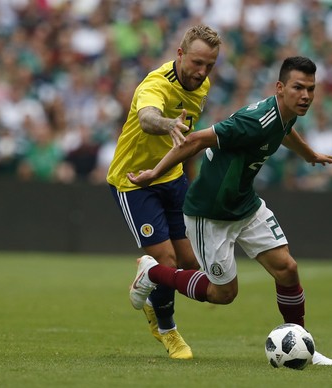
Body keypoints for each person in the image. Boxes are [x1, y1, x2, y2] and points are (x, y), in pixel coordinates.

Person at [127, 56, 332, 365]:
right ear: (280, 88)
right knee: (222, 294)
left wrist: (309, 155)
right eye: (298, 88)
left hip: (245, 204)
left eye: (311, 89)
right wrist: (154, 173)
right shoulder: (254, 120)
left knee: (287, 268)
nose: (306, 96)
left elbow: (285, 131)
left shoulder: (287, 112)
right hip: (210, 212)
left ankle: (301, 344)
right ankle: (152, 272)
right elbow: (196, 140)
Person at [106, 25, 222, 360]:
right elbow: (147, 118)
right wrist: (168, 123)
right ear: (180, 54)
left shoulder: (202, 85)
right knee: (167, 260)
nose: (202, 72)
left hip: (171, 176)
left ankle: (148, 278)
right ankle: (166, 330)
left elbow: (186, 141)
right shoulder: (155, 85)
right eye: (197, 63)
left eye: (209, 66)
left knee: (190, 262)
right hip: (135, 181)